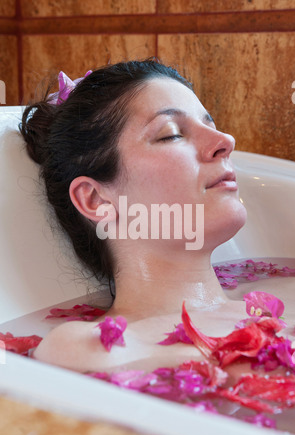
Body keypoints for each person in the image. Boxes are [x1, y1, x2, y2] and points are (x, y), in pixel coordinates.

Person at [20, 58, 247, 374]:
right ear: (96, 199)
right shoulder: (91, 350)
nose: (225, 141)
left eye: (210, 125)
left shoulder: (286, 299)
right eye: (170, 133)